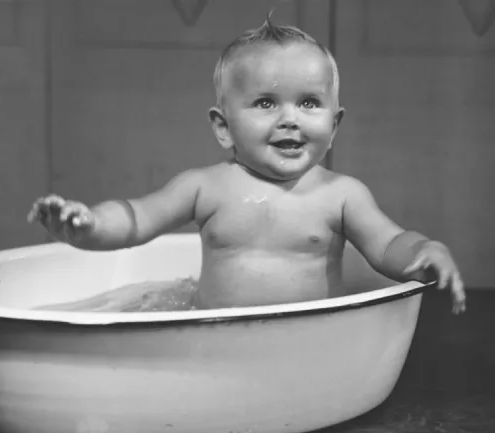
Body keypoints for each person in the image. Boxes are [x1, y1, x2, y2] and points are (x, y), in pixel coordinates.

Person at [28, 18, 466, 314]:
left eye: (309, 102)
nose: (290, 118)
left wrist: (425, 250)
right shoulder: (204, 188)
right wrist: (86, 226)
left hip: (309, 341)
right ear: (224, 127)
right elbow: (137, 218)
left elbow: (389, 247)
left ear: (334, 126)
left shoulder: (342, 195)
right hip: (211, 337)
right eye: (265, 102)